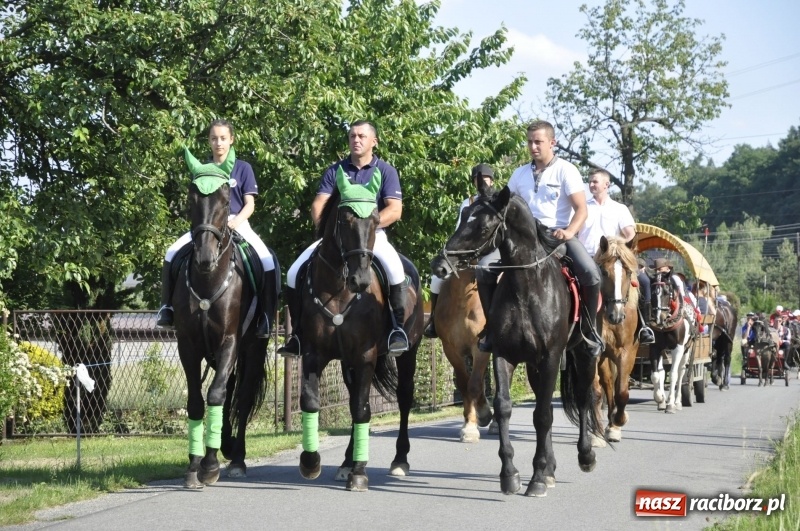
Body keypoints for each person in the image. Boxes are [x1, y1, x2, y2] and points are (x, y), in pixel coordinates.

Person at [278, 120, 408, 356]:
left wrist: (367, 226)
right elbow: (319, 204)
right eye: (352, 136)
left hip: (371, 236)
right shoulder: (336, 171)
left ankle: (397, 330)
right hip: (337, 237)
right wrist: (326, 231)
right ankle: (297, 334)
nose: (356, 140)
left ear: (373, 142)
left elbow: (395, 209)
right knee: (293, 271)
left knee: (395, 270)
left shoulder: (386, 171)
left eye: (361, 136)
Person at [477, 120, 604, 357]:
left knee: (591, 273)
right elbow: (505, 206)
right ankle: (491, 328)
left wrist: (568, 231)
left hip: (557, 237)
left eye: (538, 142)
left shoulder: (566, 170)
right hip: (521, 240)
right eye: (529, 142)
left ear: (552, 143)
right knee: (484, 268)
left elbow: (581, 210)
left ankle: (589, 332)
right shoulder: (519, 173)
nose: (533, 146)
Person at [156, 119, 277, 338]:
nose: (218, 143)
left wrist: (235, 222)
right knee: (172, 251)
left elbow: (250, 204)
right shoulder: (202, 169)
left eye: (223, 138)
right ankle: (166, 307)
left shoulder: (243, 168)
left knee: (266, 259)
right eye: (214, 138)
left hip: (236, 222)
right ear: (209, 142)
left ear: (231, 139)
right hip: (208, 225)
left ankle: (266, 317)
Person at [577, 167, 654, 344]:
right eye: (590, 181)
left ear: (607, 184)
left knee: (644, 281)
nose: (591, 184)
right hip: (586, 259)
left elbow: (630, 234)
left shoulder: (619, 209)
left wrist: (617, 246)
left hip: (612, 260)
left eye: (595, 181)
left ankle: (644, 326)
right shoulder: (582, 208)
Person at [424, 163, 495, 339]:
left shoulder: (495, 201)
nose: (480, 183)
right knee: (435, 279)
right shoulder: (467, 202)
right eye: (476, 180)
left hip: (489, 251)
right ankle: (433, 319)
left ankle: (499, 321)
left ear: (491, 182)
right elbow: (459, 230)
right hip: (467, 252)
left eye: (484, 179)